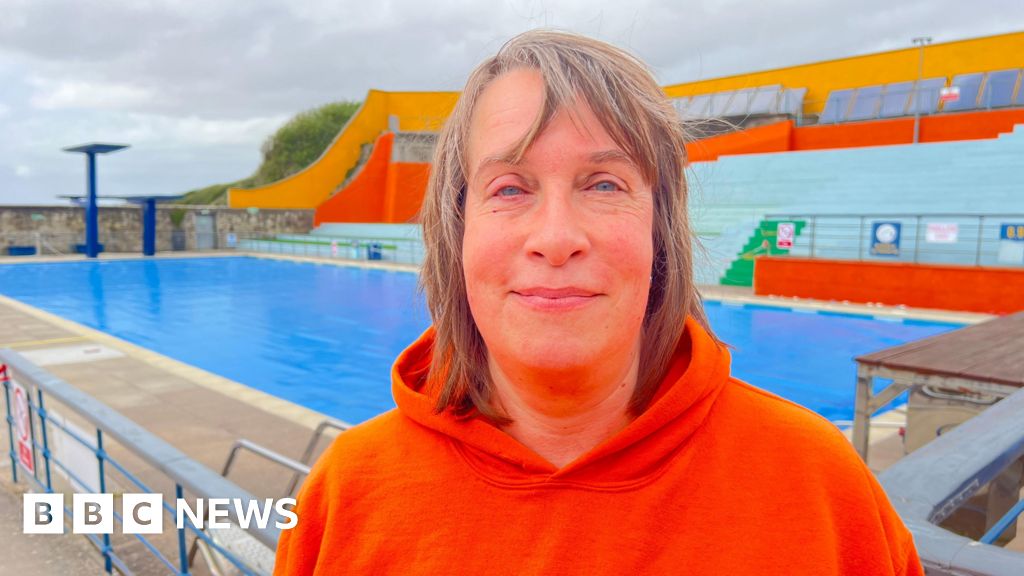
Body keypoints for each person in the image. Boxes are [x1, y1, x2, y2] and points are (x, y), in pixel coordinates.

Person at [274, 30, 923, 575]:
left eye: (604, 183)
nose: (556, 239)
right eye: (509, 189)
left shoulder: (817, 486)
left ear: (659, 231)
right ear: (457, 233)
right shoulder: (348, 493)